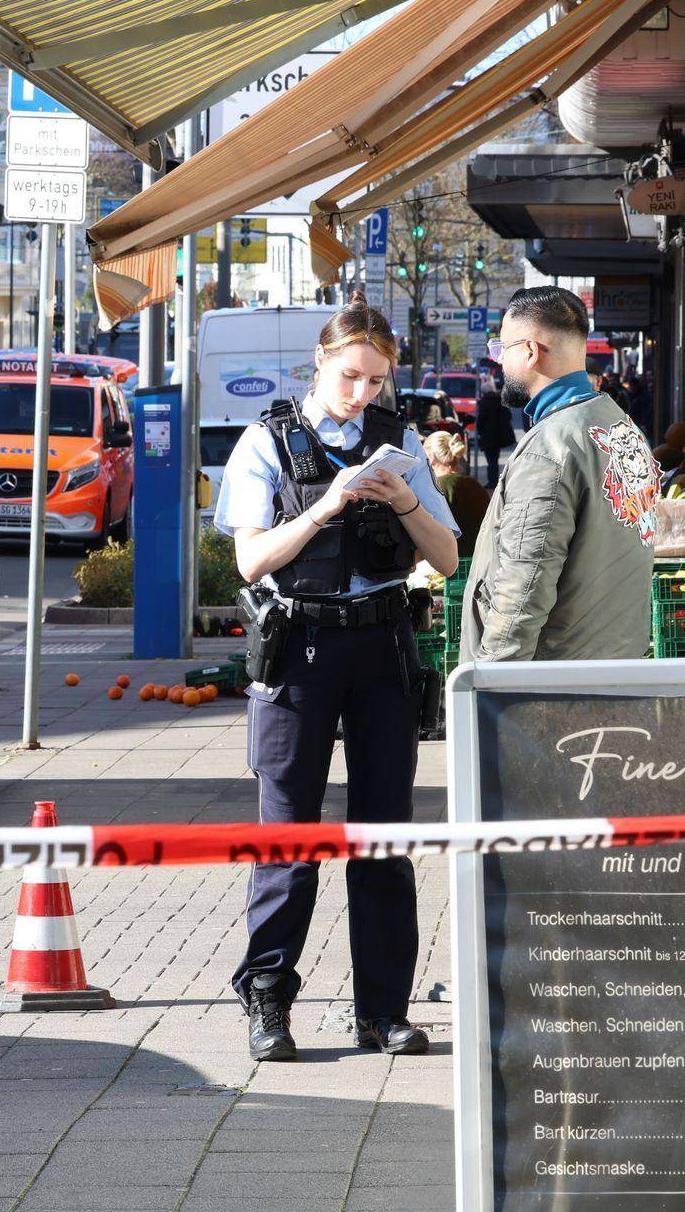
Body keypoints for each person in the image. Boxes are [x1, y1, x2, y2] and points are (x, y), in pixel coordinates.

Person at [213, 291, 461, 1064]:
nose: (361, 393)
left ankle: (383, 1011)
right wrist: (324, 508)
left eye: (376, 380)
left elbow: (447, 557)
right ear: (320, 362)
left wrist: (406, 498)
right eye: (350, 375)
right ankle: (268, 1000)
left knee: (383, 837)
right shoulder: (267, 441)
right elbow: (251, 560)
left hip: (384, 647)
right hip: (300, 648)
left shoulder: (400, 441)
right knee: (289, 836)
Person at [462, 286, 656, 663]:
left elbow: (522, 592)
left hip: (553, 681)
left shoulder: (549, 450)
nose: (499, 362)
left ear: (530, 351)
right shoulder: (620, 426)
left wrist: (490, 682)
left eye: (502, 349)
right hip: (613, 666)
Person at [423, 430, 487, 560]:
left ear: (431, 457)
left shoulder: (437, 488)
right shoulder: (475, 485)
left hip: (450, 563)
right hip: (479, 561)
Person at [473, 388, 514, 487]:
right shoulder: (501, 401)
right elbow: (508, 416)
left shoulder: (483, 403)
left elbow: (480, 420)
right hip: (499, 436)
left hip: (487, 436)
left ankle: (492, 482)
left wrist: (479, 431)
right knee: (494, 460)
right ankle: (494, 480)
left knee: (491, 460)